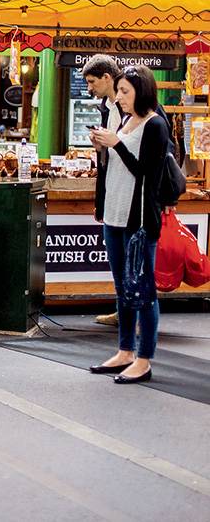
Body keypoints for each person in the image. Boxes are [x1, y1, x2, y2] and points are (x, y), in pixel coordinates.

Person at [89, 65, 169, 385]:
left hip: (139, 221)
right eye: (119, 91)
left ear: (142, 91)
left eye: (125, 91)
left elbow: (147, 173)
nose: (119, 97)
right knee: (123, 287)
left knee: (143, 290)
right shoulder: (124, 120)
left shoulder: (155, 124)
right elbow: (115, 169)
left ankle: (143, 359)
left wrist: (116, 144)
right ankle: (124, 351)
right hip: (114, 215)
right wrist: (102, 147)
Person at [85, 55, 124, 328]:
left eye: (92, 82)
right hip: (112, 188)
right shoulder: (106, 107)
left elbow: (148, 152)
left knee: (131, 260)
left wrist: (115, 143)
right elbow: (112, 155)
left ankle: (132, 315)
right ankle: (123, 309)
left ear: (107, 77)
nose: (89, 88)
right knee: (116, 257)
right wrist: (101, 147)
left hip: (131, 194)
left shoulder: (135, 108)